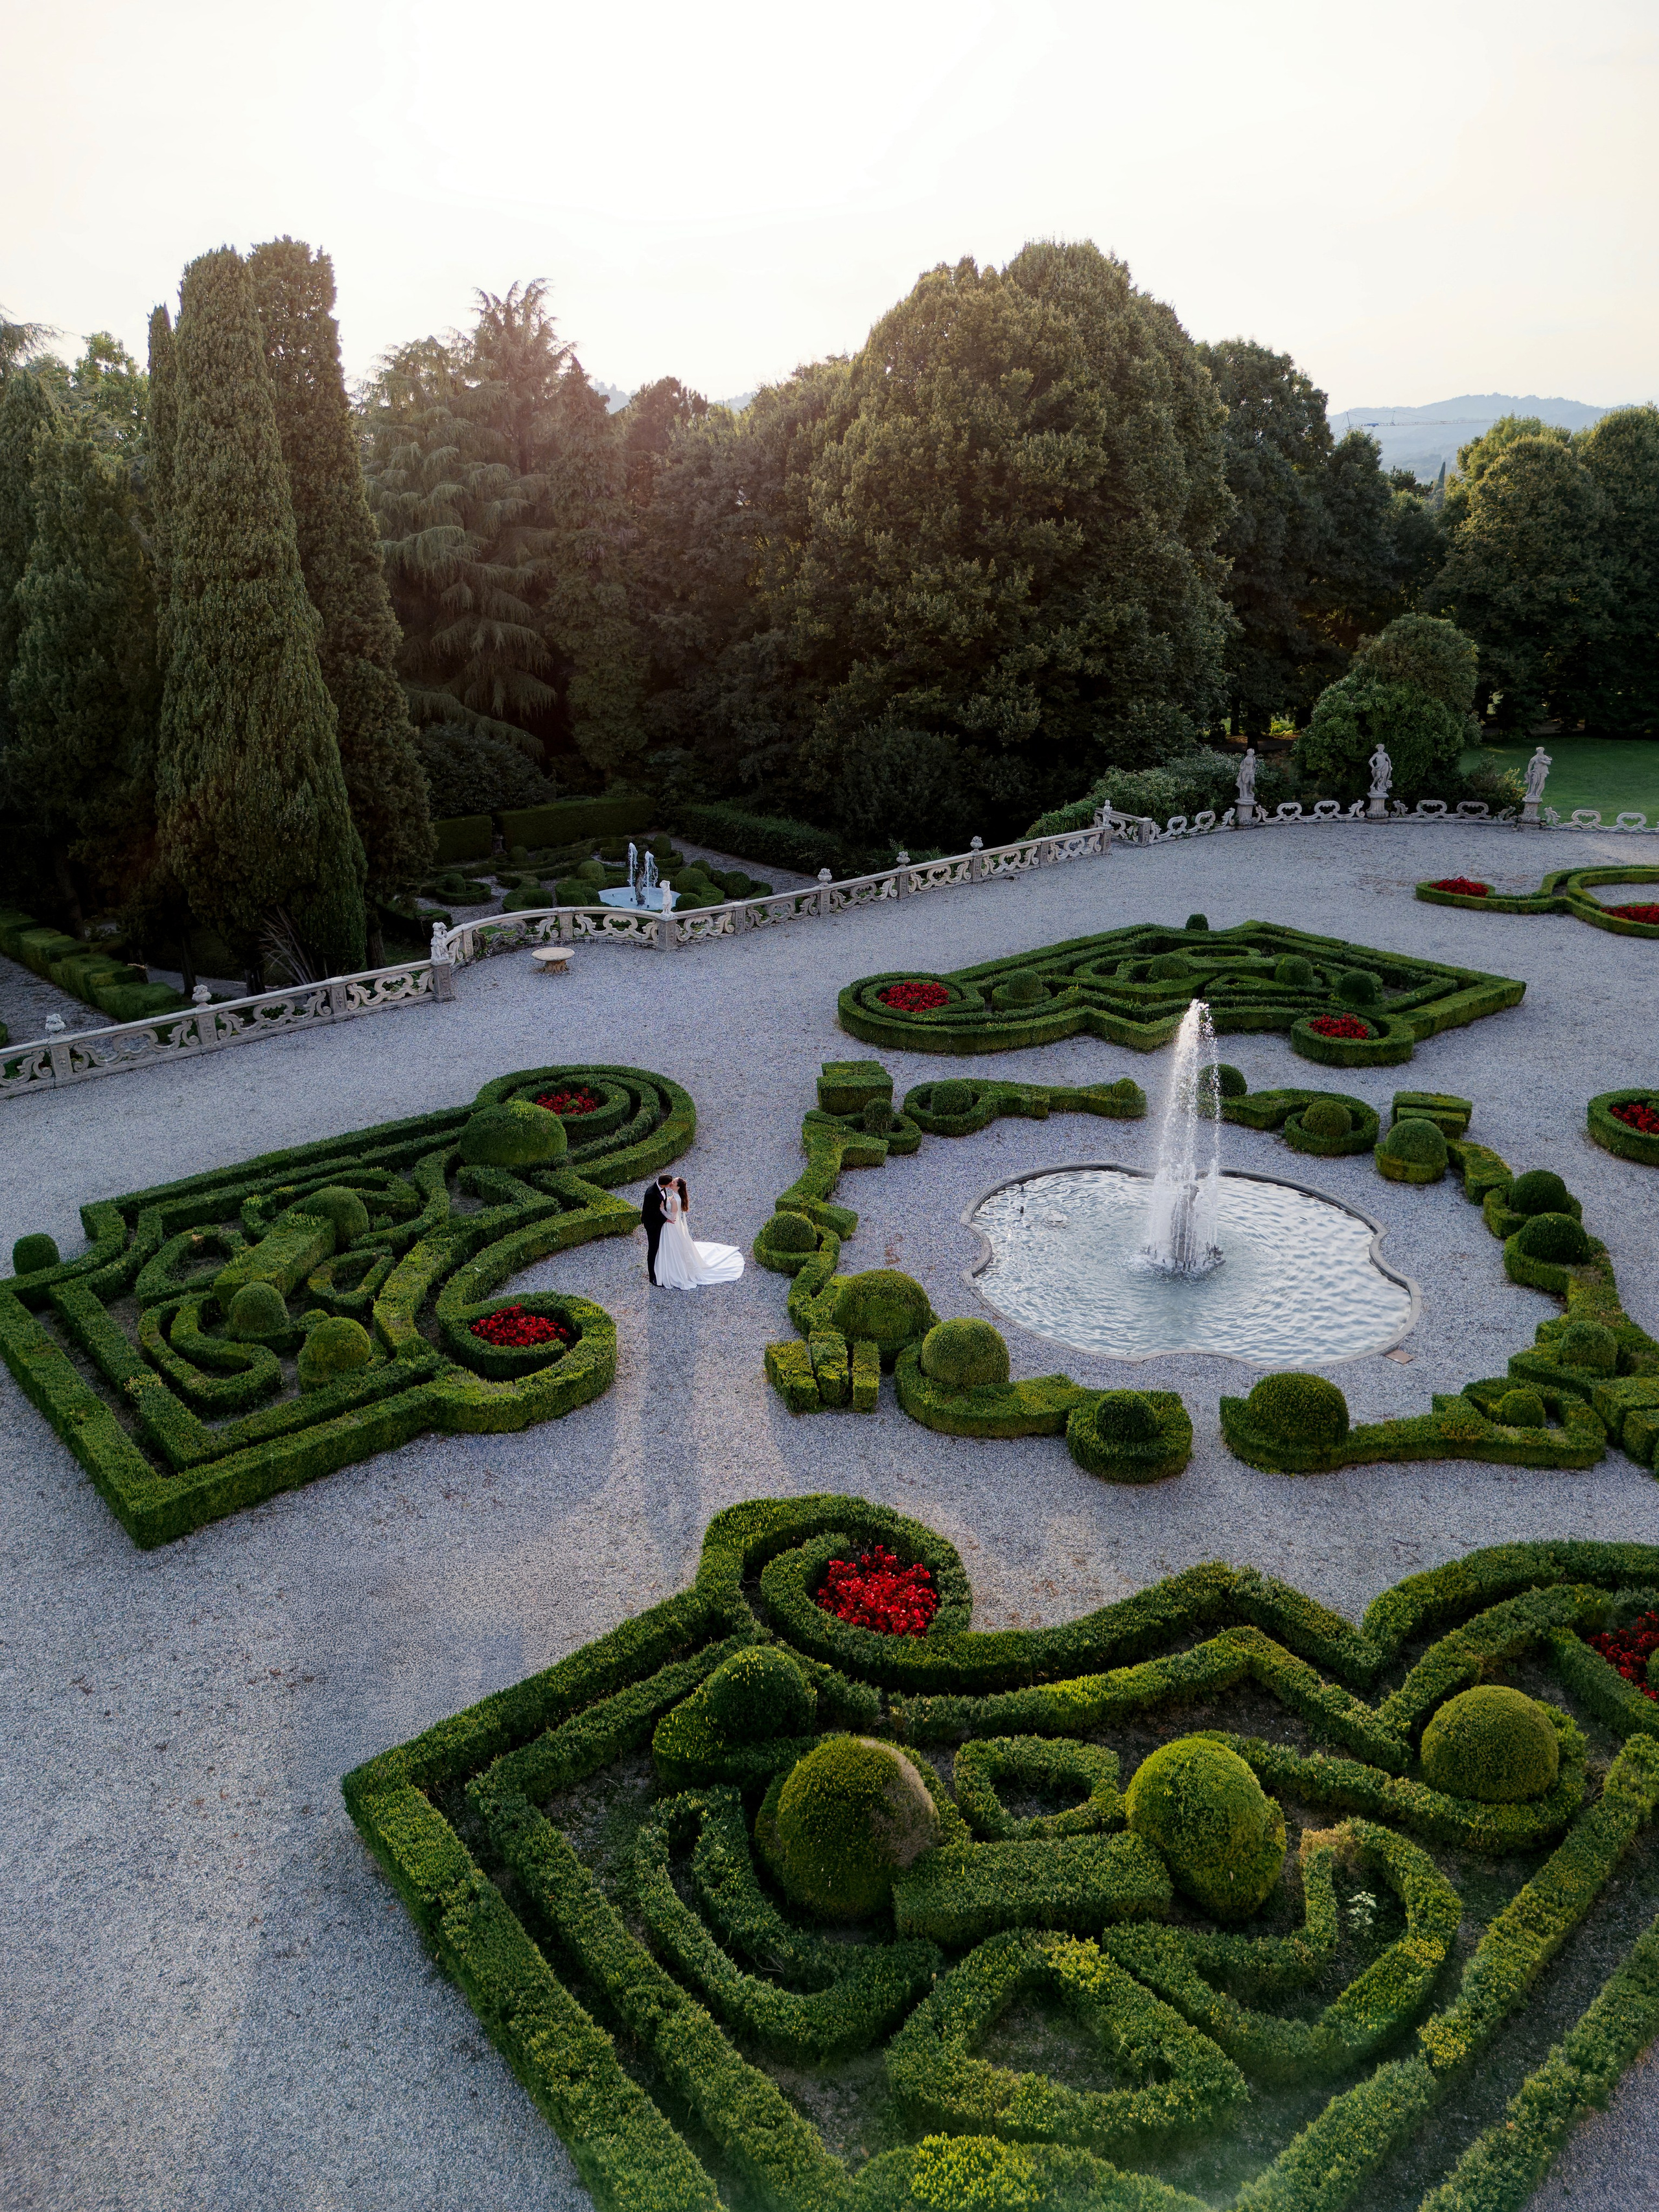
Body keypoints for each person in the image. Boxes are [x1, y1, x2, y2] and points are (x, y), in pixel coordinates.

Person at [653, 1174, 744, 1289]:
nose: (671, 1184)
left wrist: (661, 1209)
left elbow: (672, 1218)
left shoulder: (676, 1200)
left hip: (671, 1226)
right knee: (672, 1247)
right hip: (670, 1226)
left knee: (672, 1247)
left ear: (678, 1187)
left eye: (674, 1183)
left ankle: (673, 1271)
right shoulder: (674, 1196)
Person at [640, 1175, 667, 1285]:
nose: (671, 1186)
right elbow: (651, 1213)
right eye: (669, 1184)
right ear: (664, 1184)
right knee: (653, 1249)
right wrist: (666, 1219)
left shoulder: (661, 1187)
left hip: (658, 1220)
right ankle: (652, 1276)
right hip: (652, 1225)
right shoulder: (651, 1193)